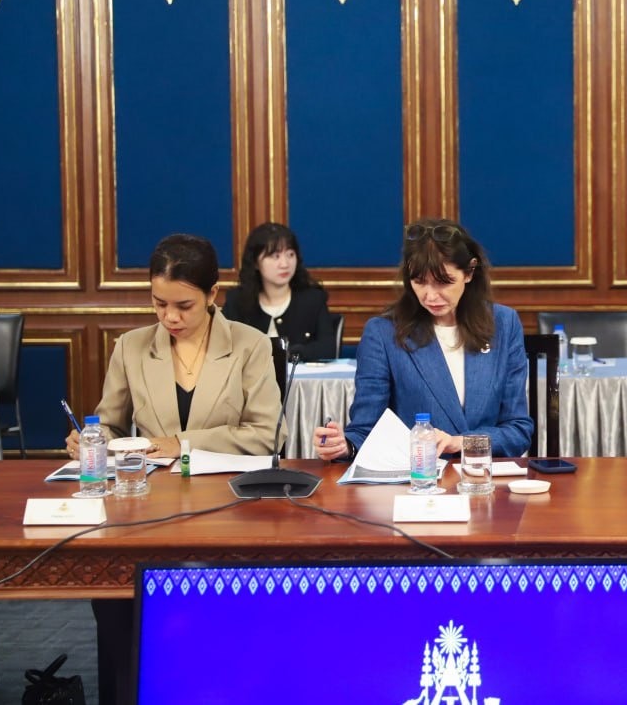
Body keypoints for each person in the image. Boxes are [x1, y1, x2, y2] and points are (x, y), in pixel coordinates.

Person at [64, 233, 282, 705]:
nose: (170, 318)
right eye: (158, 304)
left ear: (213, 294)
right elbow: (111, 423)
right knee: (115, 601)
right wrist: (90, 439)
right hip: (146, 508)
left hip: (229, 509)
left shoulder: (249, 345)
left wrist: (180, 444)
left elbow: (266, 435)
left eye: (183, 305)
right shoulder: (131, 347)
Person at [313, 219, 533, 460]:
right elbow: (366, 430)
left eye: (443, 282)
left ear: (469, 272)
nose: (430, 296)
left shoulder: (504, 323)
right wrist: (344, 446)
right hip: (417, 475)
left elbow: (517, 430)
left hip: (483, 474)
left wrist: (460, 443)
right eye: (419, 282)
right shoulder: (384, 332)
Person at [223, 221, 336, 360]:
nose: (285, 264)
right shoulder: (237, 301)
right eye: (275, 256)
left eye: (290, 254)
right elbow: (223, 347)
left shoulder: (313, 299)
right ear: (255, 262)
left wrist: (293, 354)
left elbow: (328, 348)